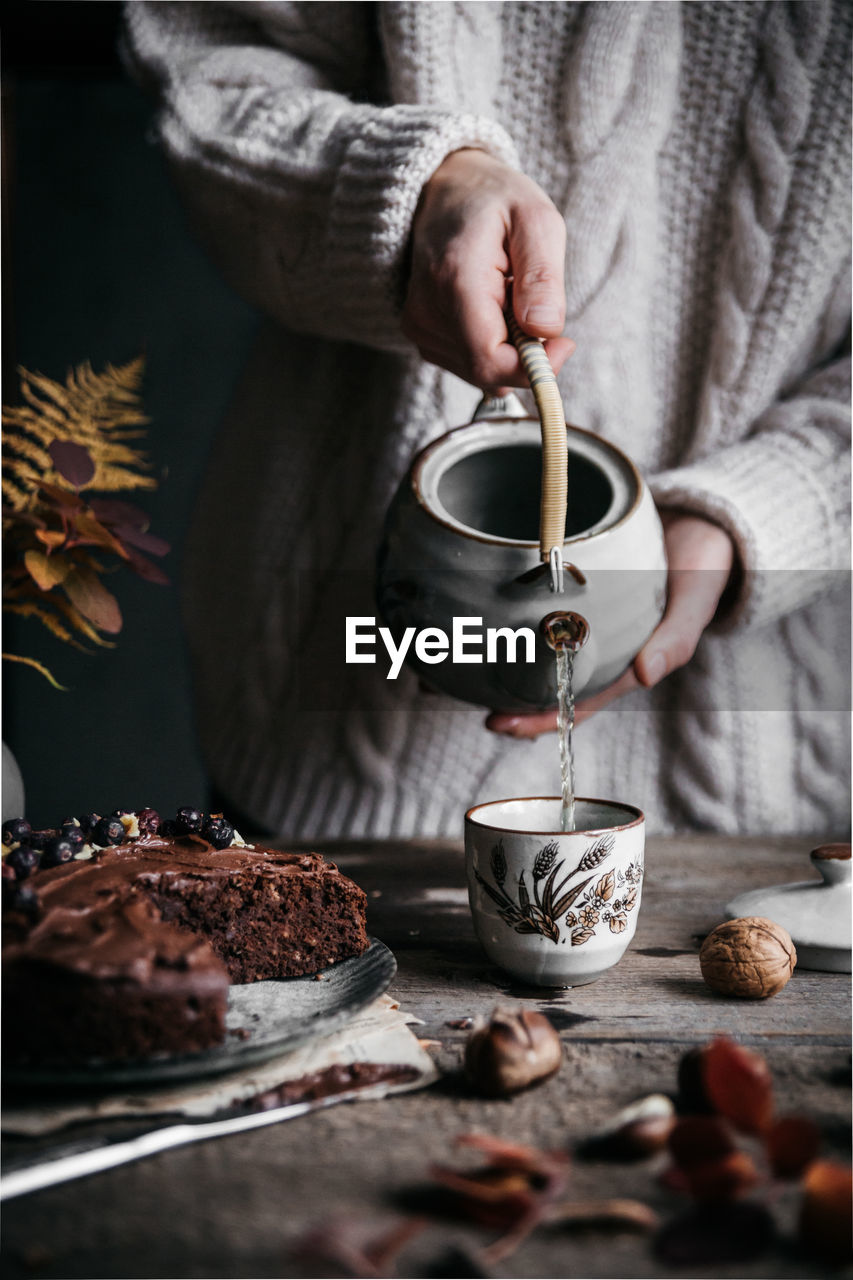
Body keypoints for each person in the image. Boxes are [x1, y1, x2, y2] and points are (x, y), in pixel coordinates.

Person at [123, 1, 851, 839]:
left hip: (768, 788)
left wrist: (763, 511)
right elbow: (213, 64)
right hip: (323, 743)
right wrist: (414, 189)